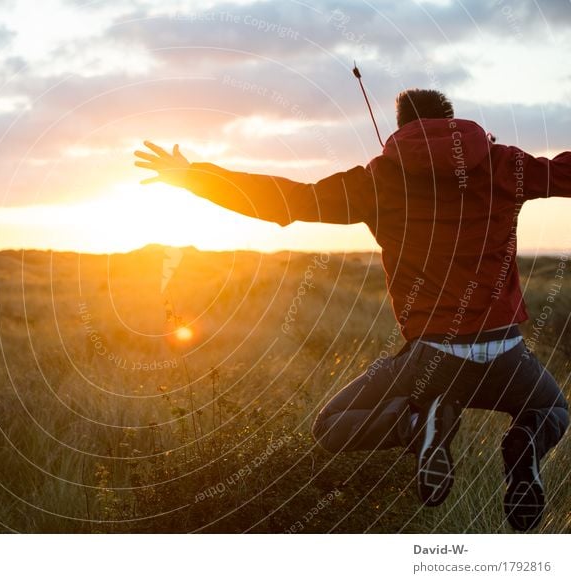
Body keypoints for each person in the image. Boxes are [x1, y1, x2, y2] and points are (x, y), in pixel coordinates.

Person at [133, 88, 570, 532]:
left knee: (331, 425)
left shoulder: (380, 179)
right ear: (453, 120)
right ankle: (526, 444)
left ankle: (415, 426)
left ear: (401, 128)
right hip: (508, 355)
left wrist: (193, 177)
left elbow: (290, 200)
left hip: (432, 359)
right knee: (553, 412)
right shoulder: (502, 164)